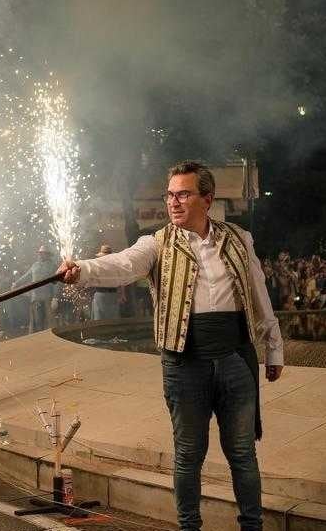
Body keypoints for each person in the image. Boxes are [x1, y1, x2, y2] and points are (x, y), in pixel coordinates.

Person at [57, 161, 283, 531]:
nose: (174, 202)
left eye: (184, 194)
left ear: (207, 199)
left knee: (242, 454)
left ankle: (251, 527)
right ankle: (189, 527)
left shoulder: (239, 239)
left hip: (235, 360)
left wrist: (274, 347)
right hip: (184, 363)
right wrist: (83, 269)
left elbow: (259, 293)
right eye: (170, 194)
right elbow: (123, 265)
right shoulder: (155, 243)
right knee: (189, 455)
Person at [12, 245, 56, 333]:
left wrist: (55, 297)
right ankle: (38, 339)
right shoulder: (35, 265)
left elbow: (56, 282)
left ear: (48, 255)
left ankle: (49, 339)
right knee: (37, 321)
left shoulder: (52, 266)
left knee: (48, 321)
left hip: (47, 297)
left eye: (43, 253)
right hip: (35, 297)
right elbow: (26, 276)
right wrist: (16, 283)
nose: (41, 255)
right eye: (40, 253)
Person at [89, 245, 124, 320]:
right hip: (103, 295)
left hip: (109, 295)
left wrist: (122, 294)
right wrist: (122, 294)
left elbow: (121, 281)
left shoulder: (99, 265)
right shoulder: (100, 265)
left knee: (105, 319)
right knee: (104, 319)